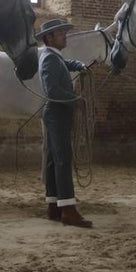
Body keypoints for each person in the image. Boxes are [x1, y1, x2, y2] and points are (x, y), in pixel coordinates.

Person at [36, 18, 93, 228]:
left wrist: (79, 65)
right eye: (60, 33)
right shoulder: (50, 58)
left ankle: (53, 205)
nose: (64, 35)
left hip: (55, 113)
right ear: (49, 37)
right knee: (62, 160)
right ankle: (68, 210)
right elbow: (52, 91)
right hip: (57, 113)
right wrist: (75, 100)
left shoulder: (53, 56)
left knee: (53, 160)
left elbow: (66, 64)